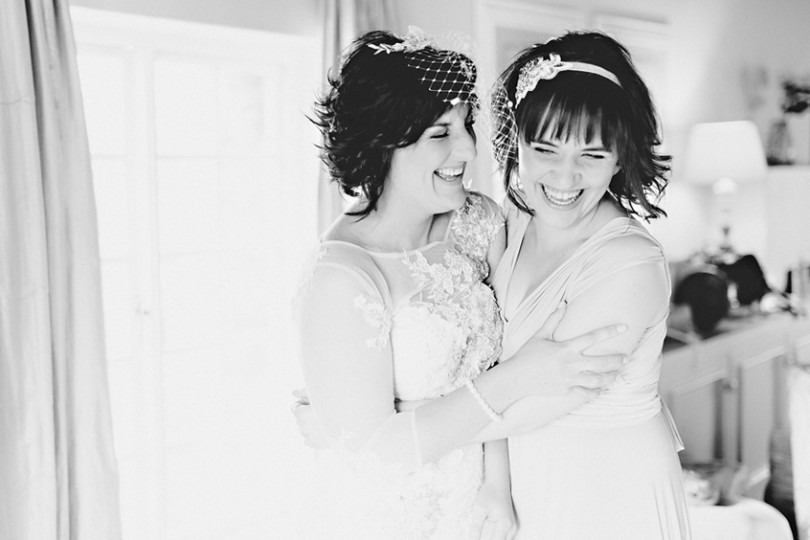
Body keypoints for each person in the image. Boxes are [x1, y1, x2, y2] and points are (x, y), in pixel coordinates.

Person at [295, 28, 628, 540]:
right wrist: (521, 378)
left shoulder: (479, 221)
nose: (469, 148)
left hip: (491, 508)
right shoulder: (343, 277)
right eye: (441, 133)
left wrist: (497, 484)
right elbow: (377, 453)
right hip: (398, 520)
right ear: (384, 143)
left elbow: (495, 355)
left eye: (467, 123)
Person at [484, 31, 691, 538]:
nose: (565, 177)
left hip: (608, 490)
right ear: (517, 142)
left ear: (620, 158)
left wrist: (400, 421)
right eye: (545, 149)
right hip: (529, 477)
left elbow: (527, 406)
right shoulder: (511, 221)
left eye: (592, 156)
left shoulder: (630, 263)